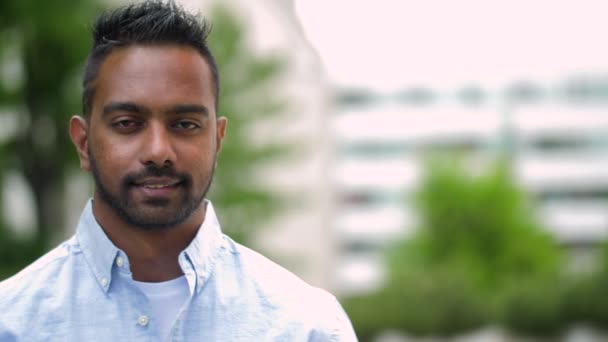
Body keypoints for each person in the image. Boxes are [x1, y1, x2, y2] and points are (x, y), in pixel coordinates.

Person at [0, 1, 358, 341]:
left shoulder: (307, 328)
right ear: (83, 143)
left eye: (184, 124)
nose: (158, 151)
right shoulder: (12, 323)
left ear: (217, 140)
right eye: (127, 123)